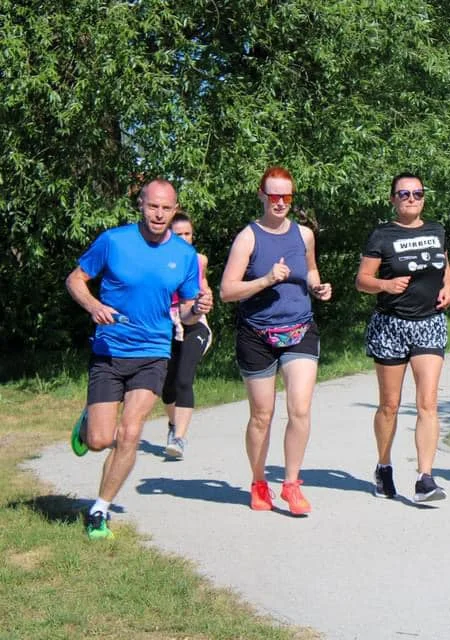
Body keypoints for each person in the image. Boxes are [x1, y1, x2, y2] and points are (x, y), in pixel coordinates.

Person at [66, 179, 214, 539]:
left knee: (131, 432)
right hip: (110, 350)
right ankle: (89, 423)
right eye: (152, 207)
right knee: (101, 440)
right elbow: (75, 279)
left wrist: (198, 308)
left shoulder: (183, 255)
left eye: (166, 208)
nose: (159, 214)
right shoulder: (114, 241)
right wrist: (94, 305)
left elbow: (188, 311)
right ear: (141, 206)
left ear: (175, 209)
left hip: (153, 352)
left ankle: (99, 510)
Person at [220, 166, 332, 516]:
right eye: (273, 196)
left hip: (300, 329)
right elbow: (227, 291)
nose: (280, 202)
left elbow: (311, 270)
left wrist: (318, 286)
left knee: (299, 410)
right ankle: (258, 481)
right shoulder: (248, 238)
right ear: (261, 196)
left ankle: (291, 484)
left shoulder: (305, 235)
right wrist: (266, 279)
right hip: (256, 334)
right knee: (262, 416)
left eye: (287, 196)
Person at [355, 172, 450, 502]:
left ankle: (425, 477)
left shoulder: (436, 230)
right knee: (390, 405)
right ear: (392, 199)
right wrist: (384, 285)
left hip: (429, 322)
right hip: (390, 324)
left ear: (424, 196)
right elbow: (362, 280)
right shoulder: (382, 235)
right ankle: (384, 467)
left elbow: (443, 262)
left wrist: (448, 286)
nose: (411, 198)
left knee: (427, 402)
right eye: (403, 194)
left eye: (417, 193)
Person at [160, 212, 213, 459]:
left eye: (187, 234)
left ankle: (179, 438)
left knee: (184, 378)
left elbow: (203, 287)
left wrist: (205, 298)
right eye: (178, 234)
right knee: (167, 387)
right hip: (166, 325)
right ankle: (173, 426)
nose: (183, 238)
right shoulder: (157, 259)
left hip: (194, 325)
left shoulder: (198, 260)